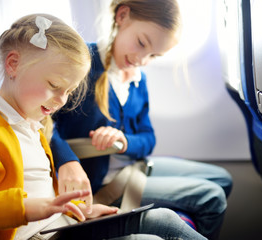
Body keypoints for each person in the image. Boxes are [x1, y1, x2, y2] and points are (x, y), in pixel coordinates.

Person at [0, 13, 207, 240]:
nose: (62, 101)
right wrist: (23, 208)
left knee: (162, 220)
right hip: (36, 234)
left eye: (69, 91)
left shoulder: (33, 126)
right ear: (13, 64)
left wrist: (76, 212)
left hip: (59, 225)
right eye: (54, 86)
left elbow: (42, 191)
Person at [50, 0, 233, 239]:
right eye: (141, 43)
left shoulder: (138, 79)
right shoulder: (82, 63)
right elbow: (42, 122)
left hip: (133, 166)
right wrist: (67, 161)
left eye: (153, 55)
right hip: (105, 181)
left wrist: (125, 141)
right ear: (122, 16)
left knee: (223, 179)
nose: (142, 60)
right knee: (212, 197)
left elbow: (148, 138)